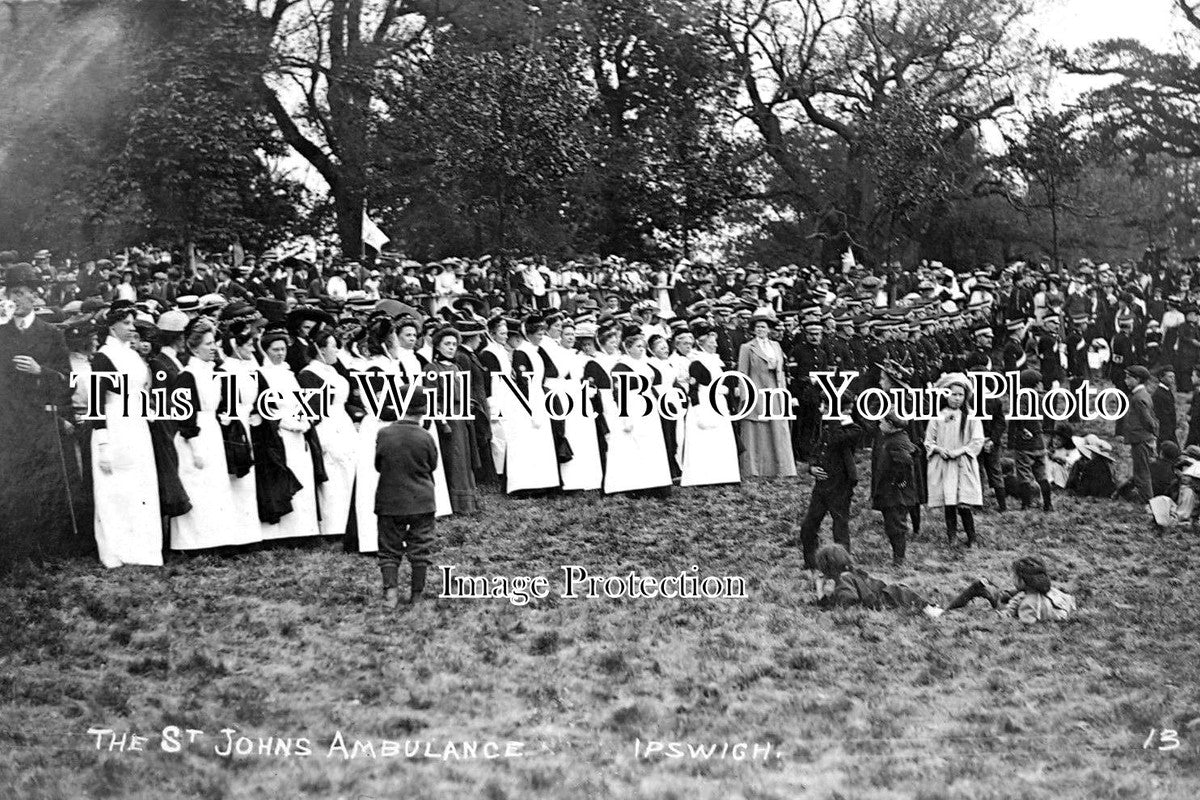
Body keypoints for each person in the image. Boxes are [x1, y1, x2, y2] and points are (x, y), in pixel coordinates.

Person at [0, 263, 79, 570]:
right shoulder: (1, 333)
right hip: (7, 423)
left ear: (35, 296)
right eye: (11, 293)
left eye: (22, 293)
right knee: (11, 484)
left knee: (43, 487)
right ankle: (14, 551)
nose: (16, 299)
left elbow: (69, 381)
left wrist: (40, 372)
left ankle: (44, 551)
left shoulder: (51, 335)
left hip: (40, 423)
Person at [170, 317, 258, 550]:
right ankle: (194, 542)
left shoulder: (214, 372)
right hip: (196, 435)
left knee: (216, 487)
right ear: (193, 346)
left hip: (213, 431)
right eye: (207, 344)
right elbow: (184, 415)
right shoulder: (187, 376)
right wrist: (195, 444)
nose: (213, 348)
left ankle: (218, 539)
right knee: (198, 484)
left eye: (214, 343)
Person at [88, 300, 163, 567]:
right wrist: (103, 443)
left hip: (137, 425)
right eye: (126, 323)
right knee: (116, 490)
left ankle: (143, 549)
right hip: (115, 425)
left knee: (140, 485)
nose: (132, 328)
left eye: (133, 323)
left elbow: (140, 390)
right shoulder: (103, 356)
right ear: (112, 325)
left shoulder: (132, 355)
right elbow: (96, 402)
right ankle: (117, 550)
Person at [375, 390, 439, 607]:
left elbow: (378, 464)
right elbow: (433, 465)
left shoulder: (384, 434)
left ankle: (390, 596)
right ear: (423, 410)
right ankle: (417, 596)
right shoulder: (426, 436)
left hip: (390, 501)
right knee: (420, 549)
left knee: (389, 549)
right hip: (422, 501)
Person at [256, 328, 321, 541]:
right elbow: (269, 408)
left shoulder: (289, 373)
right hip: (281, 432)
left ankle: (305, 530)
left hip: (299, 430)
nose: (280, 353)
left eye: (283, 349)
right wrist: (288, 424)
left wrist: (304, 421)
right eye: (275, 349)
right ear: (266, 351)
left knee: (304, 475)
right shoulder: (263, 374)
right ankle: (287, 532)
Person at [297, 327, 358, 535]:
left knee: (349, 469)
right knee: (333, 474)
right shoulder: (308, 374)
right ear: (320, 349)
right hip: (326, 426)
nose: (337, 352)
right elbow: (313, 409)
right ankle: (334, 526)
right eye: (333, 347)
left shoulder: (333, 370)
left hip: (343, 423)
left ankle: (351, 523)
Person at [604, 326, 673, 494]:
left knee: (651, 443)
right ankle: (634, 485)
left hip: (647, 405)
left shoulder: (645, 365)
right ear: (627, 348)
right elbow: (619, 393)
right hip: (633, 406)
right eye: (637, 347)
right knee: (634, 443)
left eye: (643, 347)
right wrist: (626, 418)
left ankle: (655, 483)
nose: (641, 350)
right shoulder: (622, 366)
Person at [797, 399, 861, 569]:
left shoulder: (853, 429)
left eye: (825, 407)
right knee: (808, 526)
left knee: (840, 528)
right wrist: (812, 468)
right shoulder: (826, 427)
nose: (820, 409)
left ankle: (843, 565)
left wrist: (834, 418)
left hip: (841, 486)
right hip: (821, 487)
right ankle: (811, 562)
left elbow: (836, 440)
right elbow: (815, 450)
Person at [925, 373, 985, 547]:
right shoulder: (938, 416)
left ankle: (972, 537)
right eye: (953, 394)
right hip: (945, 465)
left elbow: (977, 440)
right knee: (949, 502)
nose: (957, 398)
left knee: (964, 503)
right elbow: (929, 441)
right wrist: (938, 449)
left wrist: (960, 451)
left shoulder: (971, 416)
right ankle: (952, 537)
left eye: (960, 395)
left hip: (963, 464)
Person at [679, 321, 740, 488]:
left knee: (721, 438)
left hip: (718, 402)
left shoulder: (716, 361)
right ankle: (702, 477)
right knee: (704, 438)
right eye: (711, 341)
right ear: (701, 343)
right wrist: (698, 411)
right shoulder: (697, 362)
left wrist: (724, 390)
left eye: (715, 341)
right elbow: (693, 389)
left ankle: (723, 474)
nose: (715, 344)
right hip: (704, 403)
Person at [428, 327, 481, 514]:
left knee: (465, 457)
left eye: (454, 344)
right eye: (447, 344)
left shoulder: (457, 367)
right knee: (455, 458)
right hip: (448, 417)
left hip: (461, 415)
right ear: (437, 346)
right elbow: (432, 398)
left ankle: (470, 501)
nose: (451, 348)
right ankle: (457, 503)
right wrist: (442, 422)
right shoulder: (432, 368)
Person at [736, 314, 797, 478]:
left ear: (769, 329)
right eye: (757, 327)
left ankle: (782, 468)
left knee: (778, 428)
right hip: (756, 390)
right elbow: (742, 373)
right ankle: (755, 469)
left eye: (763, 327)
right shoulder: (747, 347)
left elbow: (781, 372)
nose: (760, 330)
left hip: (775, 391)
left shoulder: (776, 346)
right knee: (757, 430)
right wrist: (745, 398)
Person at [931, 556, 1077, 624]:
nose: (1012, 579)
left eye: (1014, 576)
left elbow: (1017, 617)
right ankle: (947, 609)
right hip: (1012, 600)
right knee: (986, 587)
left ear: (1022, 580)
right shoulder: (1045, 591)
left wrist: (992, 616)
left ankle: (944, 611)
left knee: (977, 587)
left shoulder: (1030, 602)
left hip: (1007, 607)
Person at [812, 544, 932, 612]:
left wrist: (825, 593)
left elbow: (848, 601)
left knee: (928, 608)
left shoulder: (843, 580)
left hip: (891, 599)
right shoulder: (852, 573)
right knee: (927, 605)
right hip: (895, 593)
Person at [871, 412, 918, 566]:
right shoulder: (890, 439)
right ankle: (897, 558)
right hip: (889, 492)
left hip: (896, 494)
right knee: (892, 525)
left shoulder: (898, 441)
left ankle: (899, 559)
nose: (879, 425)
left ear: (891, 425)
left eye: (882, 422)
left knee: (896, 526)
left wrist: (900, 480)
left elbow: (905, 463)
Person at [1122, 365, 1159, 504]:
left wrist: (1152, 432)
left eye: (1128, 377)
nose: (1126, 380)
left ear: (1137, 379)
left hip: (1140, 439)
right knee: (1140, 470)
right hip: (1142, 438)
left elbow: (1148, 420)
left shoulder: (1138, 398)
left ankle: (1148, 501)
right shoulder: (1143, 394)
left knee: (1142, 472)